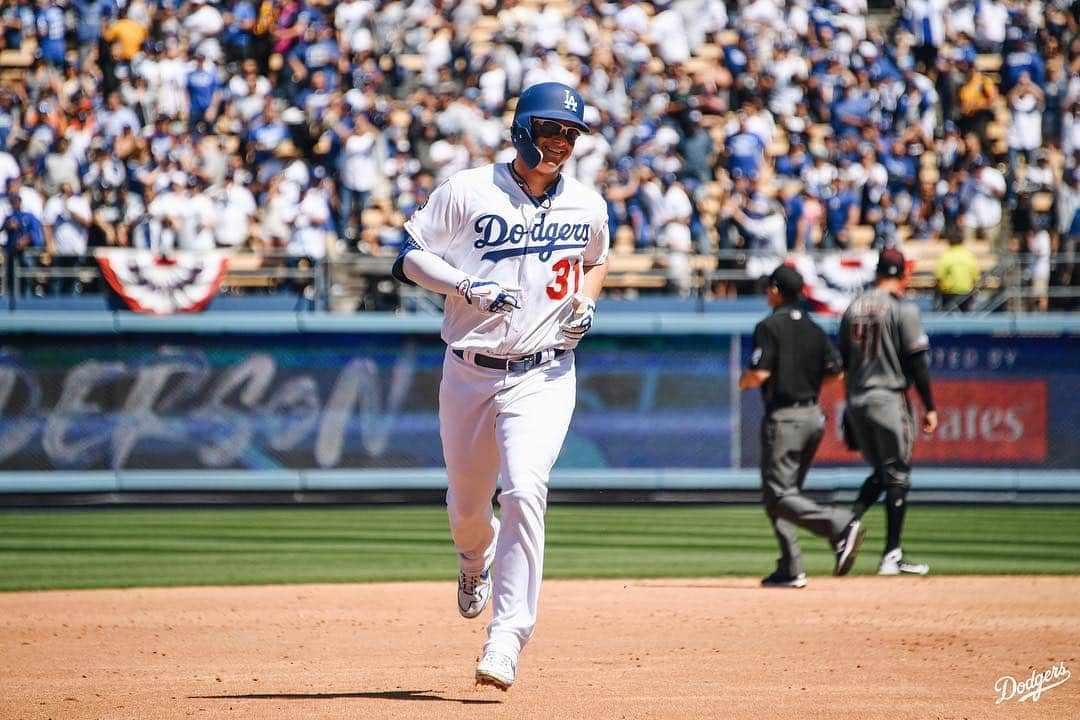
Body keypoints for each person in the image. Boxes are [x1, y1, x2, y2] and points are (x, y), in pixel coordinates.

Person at [391, 81, 609, 691]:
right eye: (551, 129)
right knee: (467, 509)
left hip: (545, 371)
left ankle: (507, 637)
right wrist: (465, 285)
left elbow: (596, 260)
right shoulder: (467, 190)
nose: (561, 142)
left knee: (525, 490)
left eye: (571, 133)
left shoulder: (587, 204)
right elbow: (407, 256)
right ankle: (471, 561)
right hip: (469, 369)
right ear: (521, 128)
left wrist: (587, 302)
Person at [739, 265, 865, 589]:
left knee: (779, 495)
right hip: (812, 416)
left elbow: (759, 373)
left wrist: (744, 381)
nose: (768, 292)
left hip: (785, 419)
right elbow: (837, 373)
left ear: (777, 290)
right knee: (784, 494)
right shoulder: (815, 327)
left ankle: (841, 525)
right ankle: (790, 566)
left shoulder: (769, 326)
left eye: (770, 288)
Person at [838, 249, 938, 575]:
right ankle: (891, 555)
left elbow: (843, 362)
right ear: (903, 274)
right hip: (888, 396)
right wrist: (930, 407)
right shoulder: (902, 309)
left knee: (884, 472)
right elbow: (917, 363)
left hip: (856, 398)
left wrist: (847, 408)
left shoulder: (853, 308)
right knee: (897, 474)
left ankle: (844, 525)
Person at [934, 234, 980, 311]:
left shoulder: (945, 256)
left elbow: (939, 277)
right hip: (966, 292)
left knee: (947, 315)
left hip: (949, 293)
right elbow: (975, 277)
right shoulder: (969, 256)